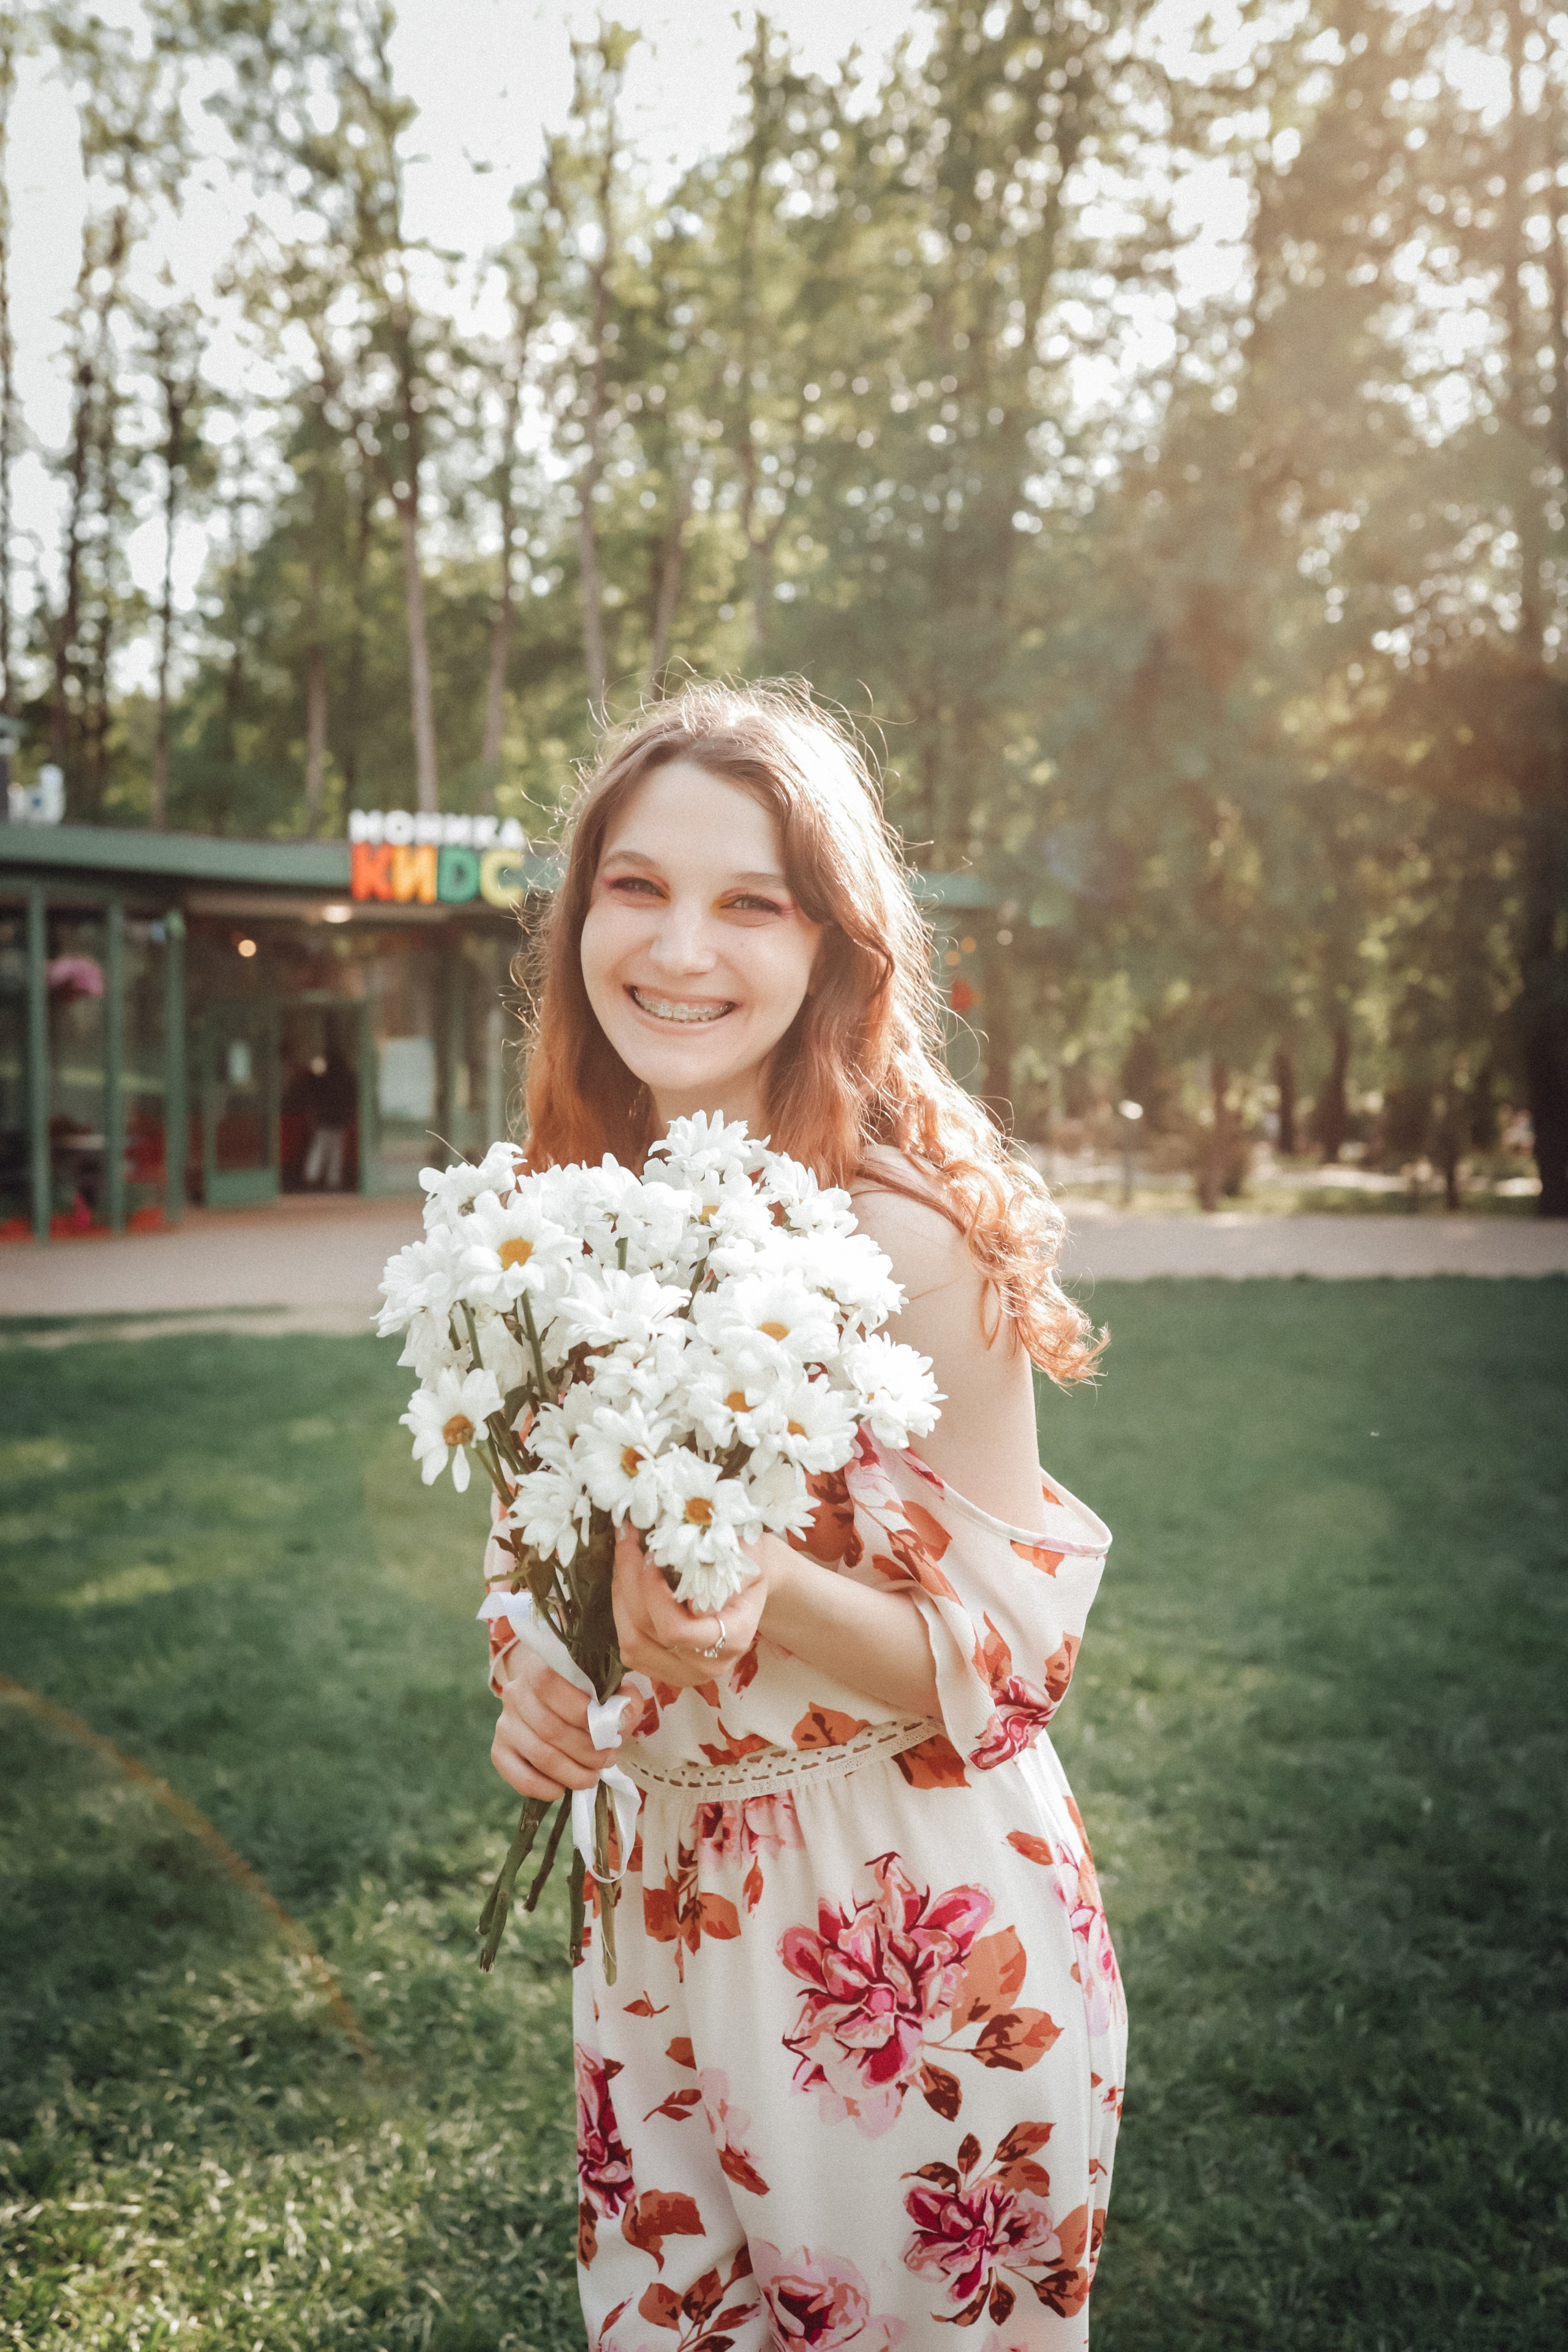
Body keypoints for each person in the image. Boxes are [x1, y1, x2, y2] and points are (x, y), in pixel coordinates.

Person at [487, 680, 1124, 2349]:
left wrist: (758, 1589)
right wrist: (538, 1688)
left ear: (831, 942)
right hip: (653, 1922)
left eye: (748, 902)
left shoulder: (906, 1244)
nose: (680, 947)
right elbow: (540, 1552)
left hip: (903, 1937)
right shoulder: (559, 1219)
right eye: (637, 886)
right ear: (578, 920)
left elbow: (1019, 1657)